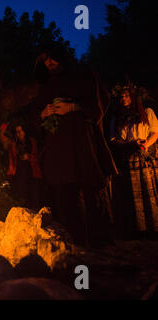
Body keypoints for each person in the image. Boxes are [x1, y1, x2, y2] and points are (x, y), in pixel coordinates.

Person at [31, 47, 117, 247]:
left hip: (82, 145)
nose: (49, 64)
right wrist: (43, 114)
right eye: (46, 62)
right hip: (58, 152)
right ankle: (75, 242)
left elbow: (100, 102)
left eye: (52, 59)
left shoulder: (82, 75)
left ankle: (100, 242)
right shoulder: (45, 87)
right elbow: (35, 114)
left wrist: (74, 107)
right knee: (65, 195)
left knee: (91, 190)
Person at [110, 85, 158, 236]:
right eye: (121, 97)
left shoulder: (146, 113)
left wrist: (144, 145)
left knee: (149, 193)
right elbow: (113, 139)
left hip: (145, 158)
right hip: (128, 160)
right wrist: (129, 145)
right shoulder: (117, 118)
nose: (123, 99)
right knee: (133, 195)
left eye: (126, 96)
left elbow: (155, 132)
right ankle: (138, 229)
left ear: (133, 96)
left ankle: (154, 227)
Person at [5, 123, 43, 210]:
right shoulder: (14, 144)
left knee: (35, 199)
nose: (19, 134)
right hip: (20, 175)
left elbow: (38, 156)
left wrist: (29, 157)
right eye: (17, 132)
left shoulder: (32, 142)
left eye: (20, 131)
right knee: (24, 199)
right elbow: (12, 159)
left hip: (32, 174)